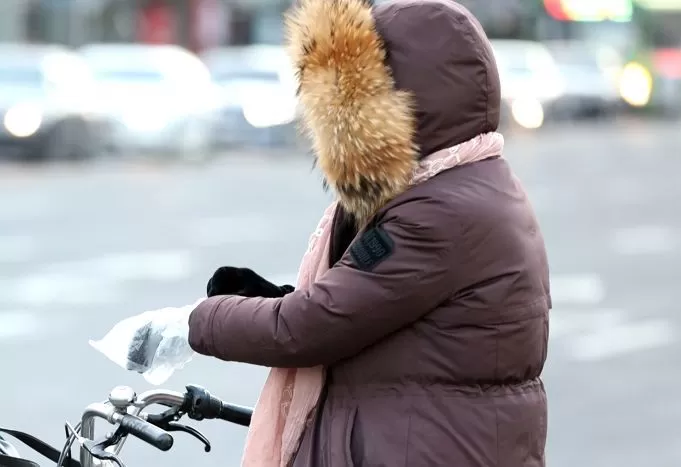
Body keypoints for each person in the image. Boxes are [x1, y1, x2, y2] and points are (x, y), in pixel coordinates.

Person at [188, 0, 551, 465]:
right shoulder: (462, 186)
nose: (335, 124)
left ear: (405, 100)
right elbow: (372, 312)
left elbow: (310, 327)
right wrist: (268, 297)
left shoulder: (440, 211)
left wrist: (192, 324)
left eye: (350, 100)